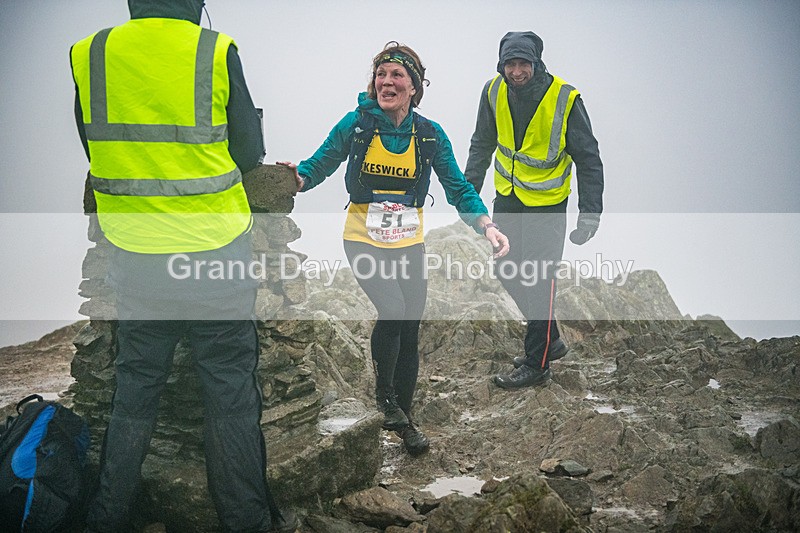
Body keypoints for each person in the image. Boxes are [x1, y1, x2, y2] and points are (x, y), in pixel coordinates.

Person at [70, 1, 297, 531]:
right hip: (214, 250)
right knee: (230, 395)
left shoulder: (92, 51)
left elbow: (93, 142)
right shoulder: (214, 49)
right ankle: (248, 522)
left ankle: (107, 519)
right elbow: (248, 150)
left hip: (134, 251)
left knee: (134, 391)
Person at [279, 41, 509, 456]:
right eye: (381, 76)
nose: (387, 82)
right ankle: (384, 400)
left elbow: (457, 187)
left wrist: (486, 225)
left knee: (410, 324)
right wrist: (298, 178)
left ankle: (404, 420)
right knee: (392, 310)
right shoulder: (357, 124)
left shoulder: (429, 134)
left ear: (414, 88)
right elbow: (321, 162)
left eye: (396, 76)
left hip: (407, 241)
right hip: (362, 237)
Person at [465, 31, 604, 389]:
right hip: (508, 197)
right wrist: (468, 191)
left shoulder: (565, 99)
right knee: (507, 269)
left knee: (540, 279)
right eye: (509, 64)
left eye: (523, 64)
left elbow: (588, 158)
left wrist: (589, 214)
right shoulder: (492, 91)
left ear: (536, 63)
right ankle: (551, 340)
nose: (516, 71)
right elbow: (482, 142)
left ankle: (537, 363)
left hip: (548, 204)